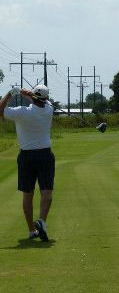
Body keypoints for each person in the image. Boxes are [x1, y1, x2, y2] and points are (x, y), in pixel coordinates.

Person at [0, 85, 55, 241]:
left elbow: (0, 110)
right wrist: (30, 94)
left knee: (27, 194)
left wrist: (11, 93)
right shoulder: (49, 109)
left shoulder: (22, 112)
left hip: (26, 157)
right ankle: (42, 221)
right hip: (45, 155)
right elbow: (39, 100)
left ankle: (32, 230)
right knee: (47, 191)